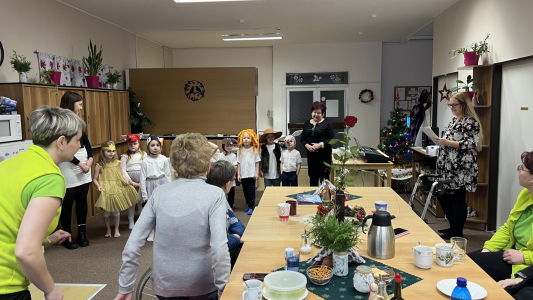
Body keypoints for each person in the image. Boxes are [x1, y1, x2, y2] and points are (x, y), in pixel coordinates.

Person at [114, 133, 231, 300]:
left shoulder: (158, 193)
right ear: (208, 166)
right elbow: (220, 248)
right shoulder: (215, 194)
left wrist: (125, 286)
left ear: (175, 166)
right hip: (203, 284)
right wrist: (224, 289)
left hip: (165, 285)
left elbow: (133, 243)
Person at [0, 105, 85, 300]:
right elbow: (26, 251)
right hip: (6, 285)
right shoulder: (49, 178)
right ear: (62, 141)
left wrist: (46, 240)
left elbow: (7, 221)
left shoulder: (9, 164)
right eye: (78, 140)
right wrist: (50, 289)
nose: (80, 146)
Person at [468, 151, 533, 284]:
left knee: (468, 268)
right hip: (511, 252)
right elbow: (507, 228)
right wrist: (488, 249)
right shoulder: (526, 194)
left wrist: (524, 257)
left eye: (522, 168)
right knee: (465, 261)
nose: (518, 170)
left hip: (525, 267)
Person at [434, 92, 483, 240]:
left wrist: (447, 143)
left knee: (457, 198)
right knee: (442, 195)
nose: (452, 107)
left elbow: (471, 144)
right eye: (450, 105)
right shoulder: (454, 120)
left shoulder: (471, 122)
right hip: (448, 166)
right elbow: (450, 140)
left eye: (455, 105)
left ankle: (457, 231)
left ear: (463, 105)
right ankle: (453, 225)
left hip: (462, 168)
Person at [57, 91, 93, 249]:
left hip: (84, 163)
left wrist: (90, 159)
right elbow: (63, 149)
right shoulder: (60, 122)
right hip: (69, 163)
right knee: (67, 201)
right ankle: (67, 236)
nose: (81, 107)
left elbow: (87, 142)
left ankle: (82, 233)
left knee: (82, 199)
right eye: (79, 104)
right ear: (71, 104)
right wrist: (80, 164)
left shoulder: (78, 120)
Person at [206, 160, 246, 270]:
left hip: (223, 245)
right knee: (248, 252)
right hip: (210, 259)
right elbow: (219, 244)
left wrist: (238, 235)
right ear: (228, 184)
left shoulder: (220, 196)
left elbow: (235, 222)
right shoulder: (212, 202)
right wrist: (237, 238)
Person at [93, 141, 138, 238]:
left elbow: (121, 174)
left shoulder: (118, 162)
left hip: (117, 187)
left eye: (113, 151)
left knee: (116, 210)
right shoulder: (99, 165)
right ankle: (108, 230)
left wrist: (127, 181)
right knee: (107, 211)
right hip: (106, 189)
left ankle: (116, 229)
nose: (111, 153)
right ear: (103, 152)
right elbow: (95, 179)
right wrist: (98, 186)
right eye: (108, 151)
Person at [139, 135, 171, 241]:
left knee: (161, 210)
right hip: (149, 185)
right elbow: (142, 179)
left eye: (158, 145)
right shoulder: (145, 161)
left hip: (161, 184)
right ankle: (151, 232)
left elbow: (168, 175)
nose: (155, 147)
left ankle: (160, 232)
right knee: (150, 210)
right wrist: (144, 195)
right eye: (152, 145)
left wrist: (169, 189)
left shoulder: (164, 159)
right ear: (148, 147)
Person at [300, 101, 335, 186]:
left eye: (319, 113)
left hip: (324, 156)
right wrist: (308, 146)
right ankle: (313, 198)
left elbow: (332, 139)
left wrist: (320, 144)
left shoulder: (327, 123)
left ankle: (325, 198)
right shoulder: (307, 123)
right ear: (311, 112)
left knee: (324, 179)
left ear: (323, 114)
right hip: (312, 156)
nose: (316, 114)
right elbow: (302, 138)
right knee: (312, 178)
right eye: (314, 112)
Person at [120, 133, 146, 229]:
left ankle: (141, 220)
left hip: (142, 180)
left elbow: (146, 168)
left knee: (141, 201)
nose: (132, 146)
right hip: (130, 181)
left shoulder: (144, 154)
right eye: (130, 144)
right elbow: (123, 170)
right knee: (132, 202)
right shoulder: (124, 156)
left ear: (138, 143)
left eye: (135, 144)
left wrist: (141, 182)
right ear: (127, 145)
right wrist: (131, 181)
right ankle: (131, 220)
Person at [237, 129, 260, 215]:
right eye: (244, 138)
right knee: (245, 190)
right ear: (241, 139)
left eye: (248, 138)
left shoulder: (254, 149)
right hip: (243, 174)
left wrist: (257, 172)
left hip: (251, 174)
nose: (246, 139)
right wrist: (238, 174)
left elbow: (257, 162)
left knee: (251, 191)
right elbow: (238, 163)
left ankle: (251, 206)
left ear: (252, 139)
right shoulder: (239, 150)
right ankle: (248, 204)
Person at [218, 138, 237, 209]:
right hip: (222, 176)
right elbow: (219, 165)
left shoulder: (233, 156)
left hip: (231, 176)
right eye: (227, 146)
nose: (229, 147)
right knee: (222, 191)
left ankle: (231, 206)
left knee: (231, 192)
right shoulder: (220, 155)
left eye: (230, 146)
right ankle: (222, 206)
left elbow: (234, 165)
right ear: (223, 146)